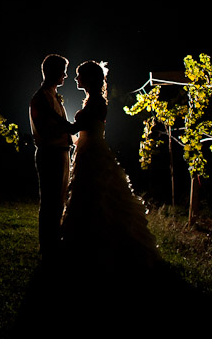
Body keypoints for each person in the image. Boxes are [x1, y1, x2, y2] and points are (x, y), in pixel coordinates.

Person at [60, 60, 162, 277]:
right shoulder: (93, 100)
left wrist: (56, 114)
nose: (76, 78)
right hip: (88, 149)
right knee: (90, 195)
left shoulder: (96, 101)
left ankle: (100, 246)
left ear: (88, 78)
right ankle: (87, 243)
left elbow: (73, 127)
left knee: (97, 195)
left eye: (79, 75)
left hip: (92, 152)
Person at [29, 54, 77, 258]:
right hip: (51, 154)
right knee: (50, 201)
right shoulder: (41, 98)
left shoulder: (52, 96)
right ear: (52, 72)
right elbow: (54, 126)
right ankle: (48, 246)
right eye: (62, 70)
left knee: (58, 200)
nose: (65, 75)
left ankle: (53, 242)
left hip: (60, 153)